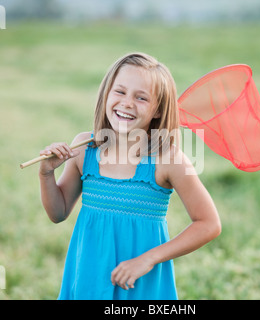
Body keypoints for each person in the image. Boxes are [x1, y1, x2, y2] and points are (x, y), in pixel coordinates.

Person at [39, 52, 221, 300]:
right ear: (106, 94)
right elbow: (57, 213)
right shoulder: (84, 148)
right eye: (120, 92)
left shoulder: (168, 159)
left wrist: (147, 259)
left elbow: (209, 224)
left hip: (139, 285)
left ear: (158, 111)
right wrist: (46, 173)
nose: (127, 103)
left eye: (141, 98)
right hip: (88, 281)